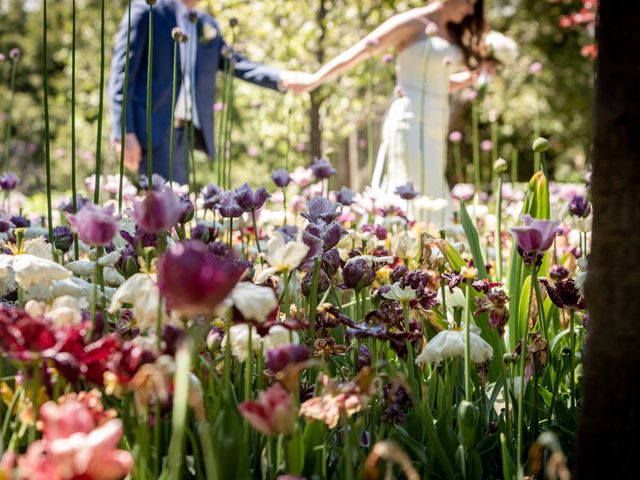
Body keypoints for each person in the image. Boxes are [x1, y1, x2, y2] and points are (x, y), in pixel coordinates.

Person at [299, 0, 494, 211]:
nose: (470, 10)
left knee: (433, 188)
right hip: (409, 118)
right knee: (411, 186)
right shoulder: (413, 22)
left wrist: (470, 78)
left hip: (437, 122)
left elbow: (437, 82)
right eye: (468, 1)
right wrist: (314, 79)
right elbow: (361, 51)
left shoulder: (452, 32)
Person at [108, 0, 310, 185]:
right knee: (159, 212)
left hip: (186, 133)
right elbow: (122, 74)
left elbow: (236, 63)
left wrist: (280, 78)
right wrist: (124, 132)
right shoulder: (147, 10)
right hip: (150, 132)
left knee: (177, 210)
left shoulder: (207, 25)